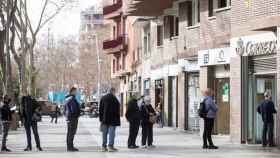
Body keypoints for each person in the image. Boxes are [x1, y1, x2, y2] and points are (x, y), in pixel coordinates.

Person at [99, 87, 120, 152]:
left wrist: (101, 119)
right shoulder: (115, 99)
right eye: (115, 92)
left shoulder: (103, 98)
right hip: (113, 120)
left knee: (104, 133)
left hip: (104, 119)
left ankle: (103, 147)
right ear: (113, 91)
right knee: (111, 133)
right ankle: (110, 147)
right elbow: (117, 110)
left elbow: (100, 109)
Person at [65, 87, 81, 152]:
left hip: (69, 117)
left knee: (69, 132)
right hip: (72, 118)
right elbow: (73, 109)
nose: (76, 93)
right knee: (71, 132)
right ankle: (70, 147)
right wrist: (77, 114)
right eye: (75, 91)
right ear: (72, 91)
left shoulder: (68, 98)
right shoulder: (72, 99)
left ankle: (70, 146)